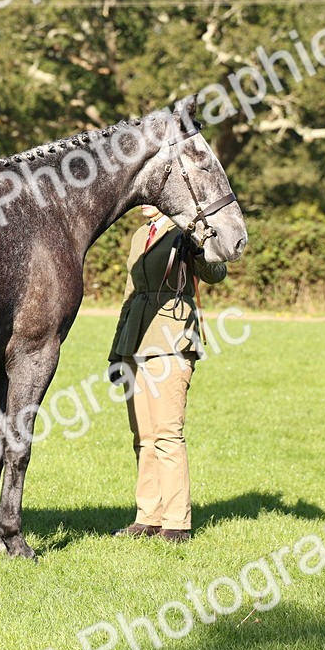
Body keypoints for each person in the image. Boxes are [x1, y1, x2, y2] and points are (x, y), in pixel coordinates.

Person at [107, 204, 227, 543]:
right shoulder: (139, 235)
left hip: (172, 340)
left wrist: (200, 248)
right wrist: (117, 352)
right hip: (135, 341)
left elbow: (215, 273)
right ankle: (147, 517)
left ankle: (176, 523)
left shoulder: (184, 232)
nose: (145, 201)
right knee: (143, 436)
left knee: (167, 435)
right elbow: (129, 296)